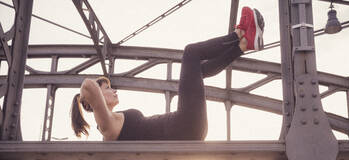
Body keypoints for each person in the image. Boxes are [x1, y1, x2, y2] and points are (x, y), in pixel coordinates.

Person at [70, 7, 265, 140]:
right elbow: (87, 85)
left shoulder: (111, 120)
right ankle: (239, 35)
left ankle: (244, 44)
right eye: (107, 88)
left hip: (186, 126)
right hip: (185, 125)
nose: (114, 90)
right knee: (191, 53)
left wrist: (94, 95)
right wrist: (85, 98)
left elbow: (91, 89)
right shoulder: (106, 126)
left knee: (198, 71)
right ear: (94, 101)